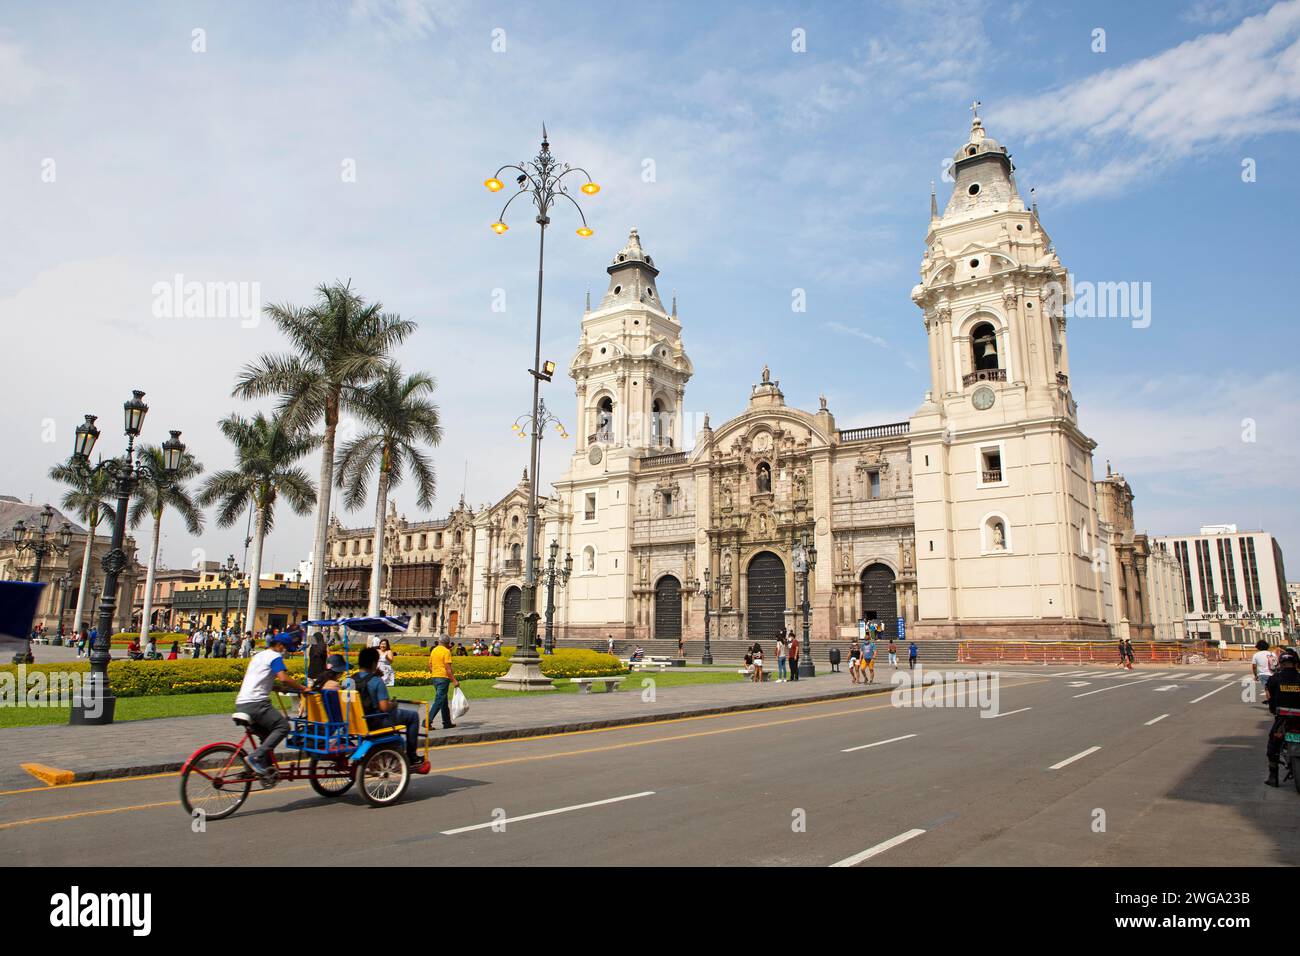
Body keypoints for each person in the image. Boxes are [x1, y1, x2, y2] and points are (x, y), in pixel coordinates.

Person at [235, 632, 309, 778]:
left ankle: (264, 767)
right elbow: (283, 678)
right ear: (279, 645)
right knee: (283, 727)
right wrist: (303, 688)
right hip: (257, 704)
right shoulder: (275, 656)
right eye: (285, 648)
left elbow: (259, 678)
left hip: (242, 702)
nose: (285, 651)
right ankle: (255, 758)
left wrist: (275, 688)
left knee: (266, 735)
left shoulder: (259, 656)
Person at [352, 646, 430, 774]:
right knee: (413, 716)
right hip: (375, 721)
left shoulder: (350, 680)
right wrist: (393, 704)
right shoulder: (376, 681)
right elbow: (384, 707)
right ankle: (412, 756)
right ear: (373, 663)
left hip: (356, 722)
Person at [1264, 647, 1300, 788]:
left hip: (1283, 720)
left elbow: (1269, 694)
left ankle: (1273, 776)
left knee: (1273, 745)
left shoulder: (1274, 679)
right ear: (1296, 663)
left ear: (1280, 663)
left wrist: (1272, 705)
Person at [428, 635, 460, 731]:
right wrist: (454, 680)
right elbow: (448, 669)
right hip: (443, 678)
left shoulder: (434, 650)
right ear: (448, 643)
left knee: (443, 700)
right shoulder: (446, 652)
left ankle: (446, 722)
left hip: (435, 677)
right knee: (439, 700)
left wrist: (434, 672)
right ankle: (427, 721)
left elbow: (430, 665)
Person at [1252, 639, 1276, 704]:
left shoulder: (1256, 655)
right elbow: (1276, 664)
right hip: (1273, 674)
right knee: (1274, 689)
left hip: (1263, 674)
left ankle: (1271, 703)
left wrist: (1255, 675)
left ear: (1258, 647)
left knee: (1267, 689)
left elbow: (1254, 667)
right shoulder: (1272, 654)